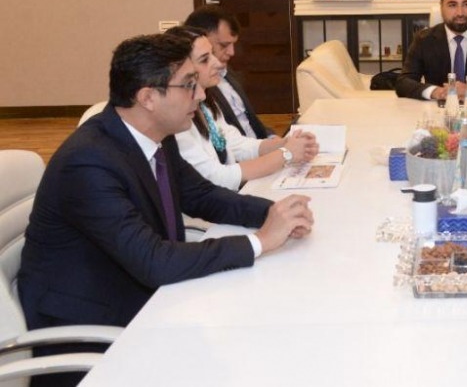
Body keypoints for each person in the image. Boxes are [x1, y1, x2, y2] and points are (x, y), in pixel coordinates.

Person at [17, 33, 314, 386]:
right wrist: (260, 241)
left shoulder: (155, 136)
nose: (201, 95)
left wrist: (275, 212)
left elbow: (202, 196)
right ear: (148, 98)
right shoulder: (88, 162)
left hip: (145, 297)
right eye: (189, 85)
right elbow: (154, 261)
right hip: (92, 333)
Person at [169, 25, 318, 190]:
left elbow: (235, 144)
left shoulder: (207, 103)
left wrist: (282, 144)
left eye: (212, 54)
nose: (217, 63)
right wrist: (286, 153)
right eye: (205, 59)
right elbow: (216, 178)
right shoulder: (177, 121)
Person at [185, 5, 273, 138]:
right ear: (200, 39)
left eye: (233, 44)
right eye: (224, 45)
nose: (232, 52)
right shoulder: (196, 89)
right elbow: (226, 141)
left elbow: (250, 122)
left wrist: (274, 139)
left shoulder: (228, 72)